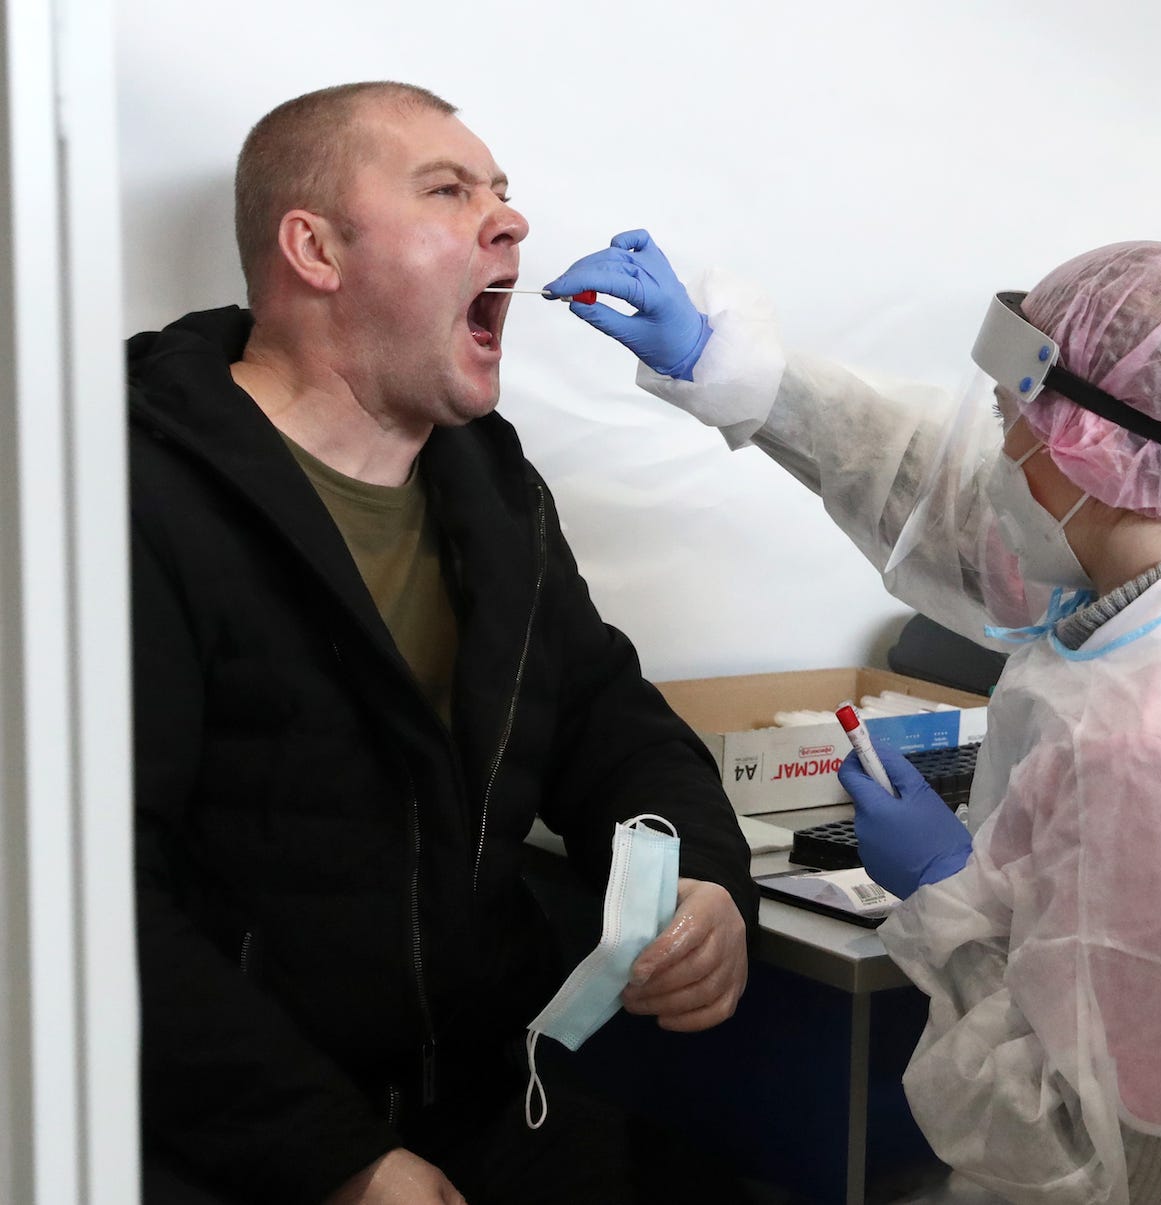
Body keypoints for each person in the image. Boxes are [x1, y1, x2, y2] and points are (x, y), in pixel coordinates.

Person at [543, 234, 1161, 1203]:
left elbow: (1089, 1143)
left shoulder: (1149, 749)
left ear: (1092, 455)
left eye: (1013, 418)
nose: (998, 448)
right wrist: (737, 372)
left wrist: (945, 894)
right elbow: (944, 498)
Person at [130, 87, 757, 1205]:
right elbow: (106, 906)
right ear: (313, 247)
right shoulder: (131, 494)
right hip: (237, 1144)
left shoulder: (492, 485)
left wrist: (705, 876)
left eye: (504, 193)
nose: (507, 220)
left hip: (482, 1101)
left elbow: (611, 722)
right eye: (449, 189)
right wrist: (339, 1160)